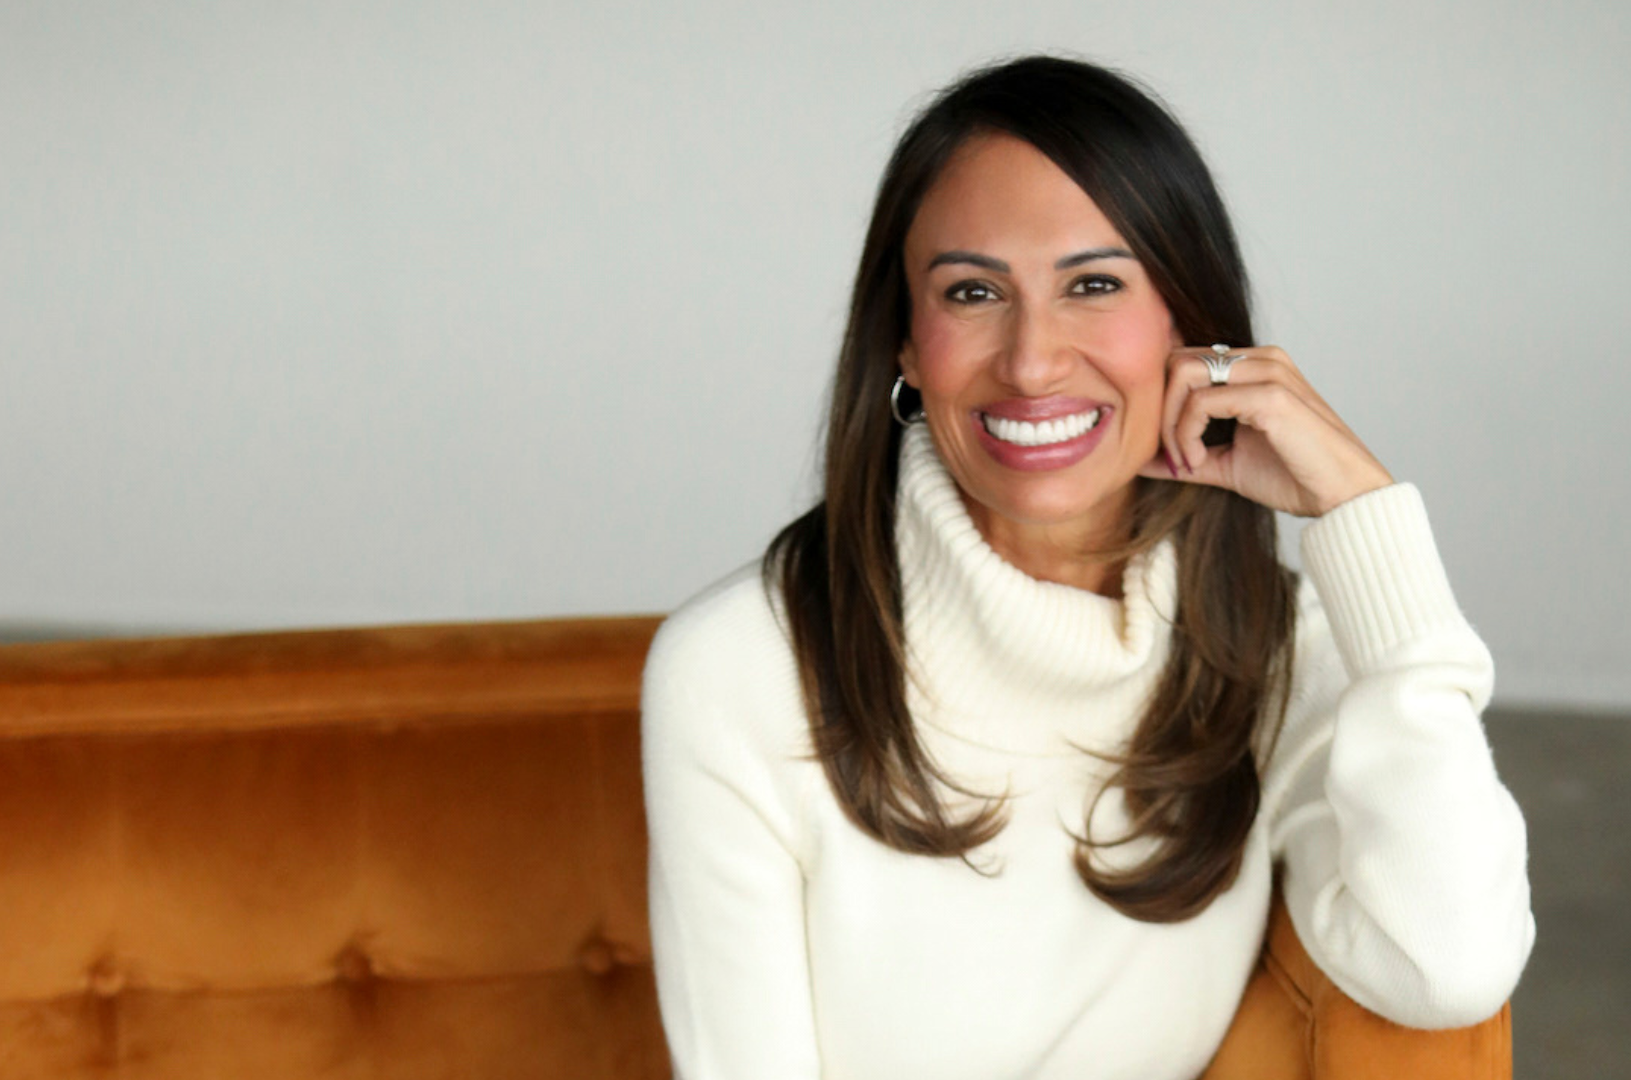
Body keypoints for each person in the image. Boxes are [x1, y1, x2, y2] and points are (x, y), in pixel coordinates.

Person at [641, 54, 1534, 1080]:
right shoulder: (735, 672)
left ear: (1189, 325)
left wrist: (1364, 517)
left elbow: (1449, 969)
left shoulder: (1269, 648)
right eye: (973, 291)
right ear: (905, 344)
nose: (1030, 361)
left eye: (1094, 285)